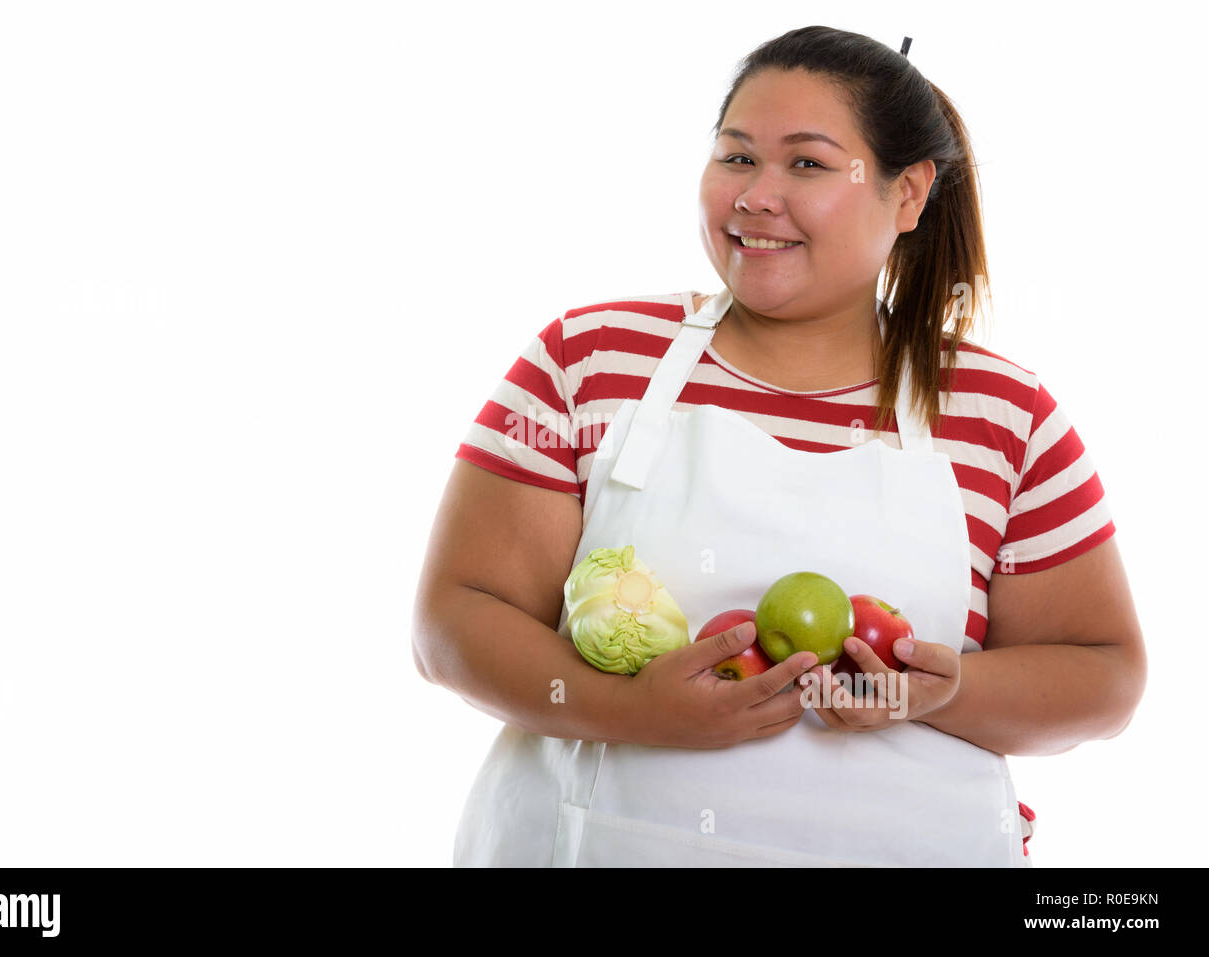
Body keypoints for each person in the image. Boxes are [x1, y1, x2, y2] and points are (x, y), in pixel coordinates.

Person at [412, 26, 1146, 867]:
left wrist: (948, 691)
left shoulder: (1005, 414)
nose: (756, 197)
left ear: (908, 194)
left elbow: (1106, 676)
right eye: (735, 158)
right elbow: (454, 619)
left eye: (806, 163)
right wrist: (624, 710)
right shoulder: (588, 358)